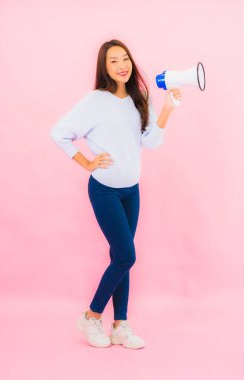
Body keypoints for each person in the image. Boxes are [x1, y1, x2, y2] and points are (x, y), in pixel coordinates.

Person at [50, 39, 181, 349]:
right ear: (104, 67)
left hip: (131, 191)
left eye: (125, 58)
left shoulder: (139, 98)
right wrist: (86, 162)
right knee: (126, 255)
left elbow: (150, 142)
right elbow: (59, 133)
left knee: (121, 258)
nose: (122, 65)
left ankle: (120, 325)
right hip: (105, 191)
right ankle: (91, 316)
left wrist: (166, 110)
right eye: (114, 61)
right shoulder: (95, 101)